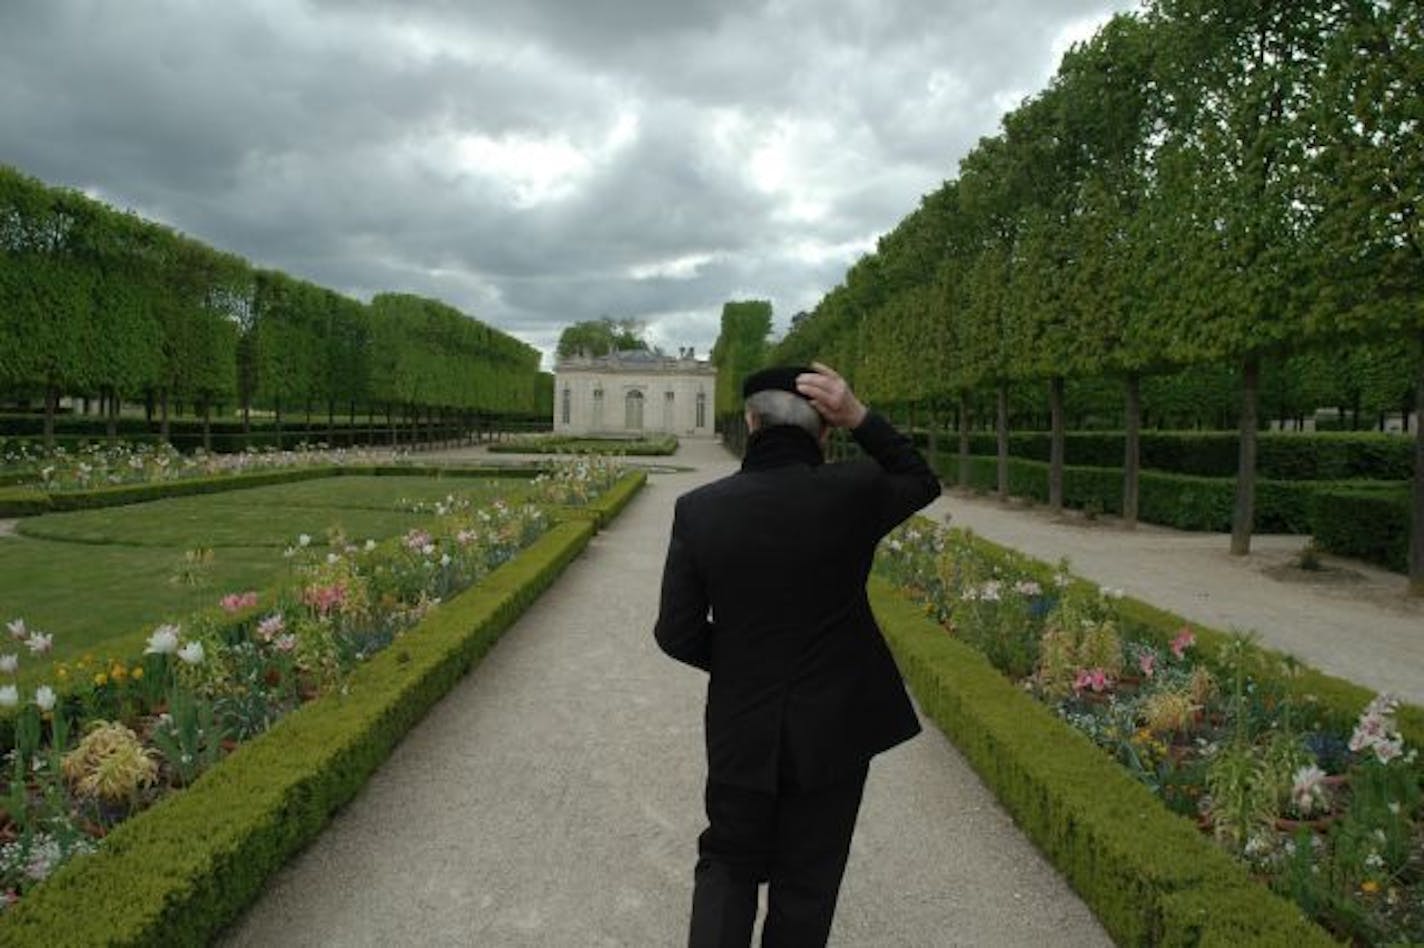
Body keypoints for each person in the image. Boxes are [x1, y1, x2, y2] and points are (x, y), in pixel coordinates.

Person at [654, 362, 941, 947]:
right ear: (825, 430)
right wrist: (862, 416)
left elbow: (675, 633)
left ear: (752, 421)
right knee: (807, 881)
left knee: (728, 865)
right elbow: (920, 477)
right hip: (834, 724)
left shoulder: (700, 508)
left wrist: (740, 661)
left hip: (742, 725)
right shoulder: (855, 490)